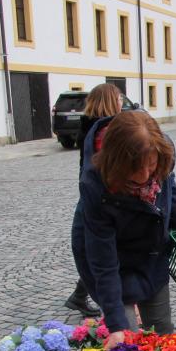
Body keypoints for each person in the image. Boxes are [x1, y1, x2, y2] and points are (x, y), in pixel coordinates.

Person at [72, 110, 176, 351]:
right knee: (127, 343)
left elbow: (170, 184)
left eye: (151, 168)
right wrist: (116, 327)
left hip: (152, 254)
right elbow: (103, 263)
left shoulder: (162, 153)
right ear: (117, 164)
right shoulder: (95, 185)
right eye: (136, 171)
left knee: (163, 334)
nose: (146, 177)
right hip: (114, 263)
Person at [65, 83, 123, 318]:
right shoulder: (105, 130)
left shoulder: (88, 125)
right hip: (100, 198)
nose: (121, 102)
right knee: (102, 250)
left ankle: (79, 295)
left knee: (96, 249)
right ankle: (90, 297)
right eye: (118, 99)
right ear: (110, 100)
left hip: (90, 195)